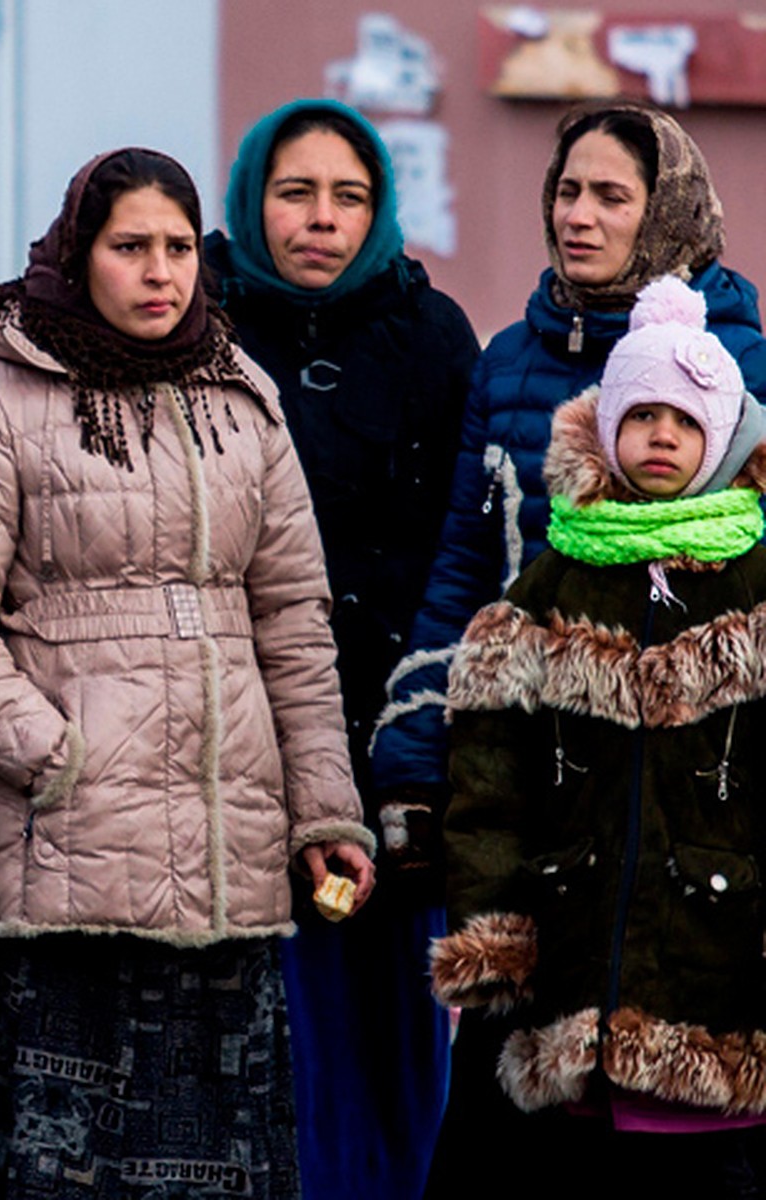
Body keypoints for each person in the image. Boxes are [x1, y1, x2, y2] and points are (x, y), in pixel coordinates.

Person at [0, 146, 374, 1200]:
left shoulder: (242, 400)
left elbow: (293, 621)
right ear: (80, 255)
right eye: (130, 248)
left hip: (226, 863)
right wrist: (52, 753)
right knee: (60, 1170)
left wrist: (324, 808)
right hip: (72, 863)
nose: (160, 272)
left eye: (178, 249)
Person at [364, 99, 766, 1189]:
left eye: (611, 196)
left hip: (691, 805)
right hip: (535, 775)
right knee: (514, 1119)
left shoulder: (739, 368)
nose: (578, 216)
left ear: (668, 209)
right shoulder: (508, 360)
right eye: (566, 191)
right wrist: (412, 759)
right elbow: (460, 568)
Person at [432, 274, 766, 1197]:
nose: (662, 435)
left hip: (718, 985)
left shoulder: (758, 589)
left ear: (722, 439)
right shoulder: (546, 593)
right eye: (643, 414)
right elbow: (487, 785)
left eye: (687, 421)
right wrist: (492, 934)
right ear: (607, 425)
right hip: (571, 982)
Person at [204, 98, 478, 1199]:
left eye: (349, 196)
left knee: (398, 1028)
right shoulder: (201, 326)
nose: (320, 219)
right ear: (252, 198)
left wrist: (423, 726)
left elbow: (465, 541)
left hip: (401, 743)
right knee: (276, 1033)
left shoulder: (431, 334)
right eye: (295, 192)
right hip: (241, 739)